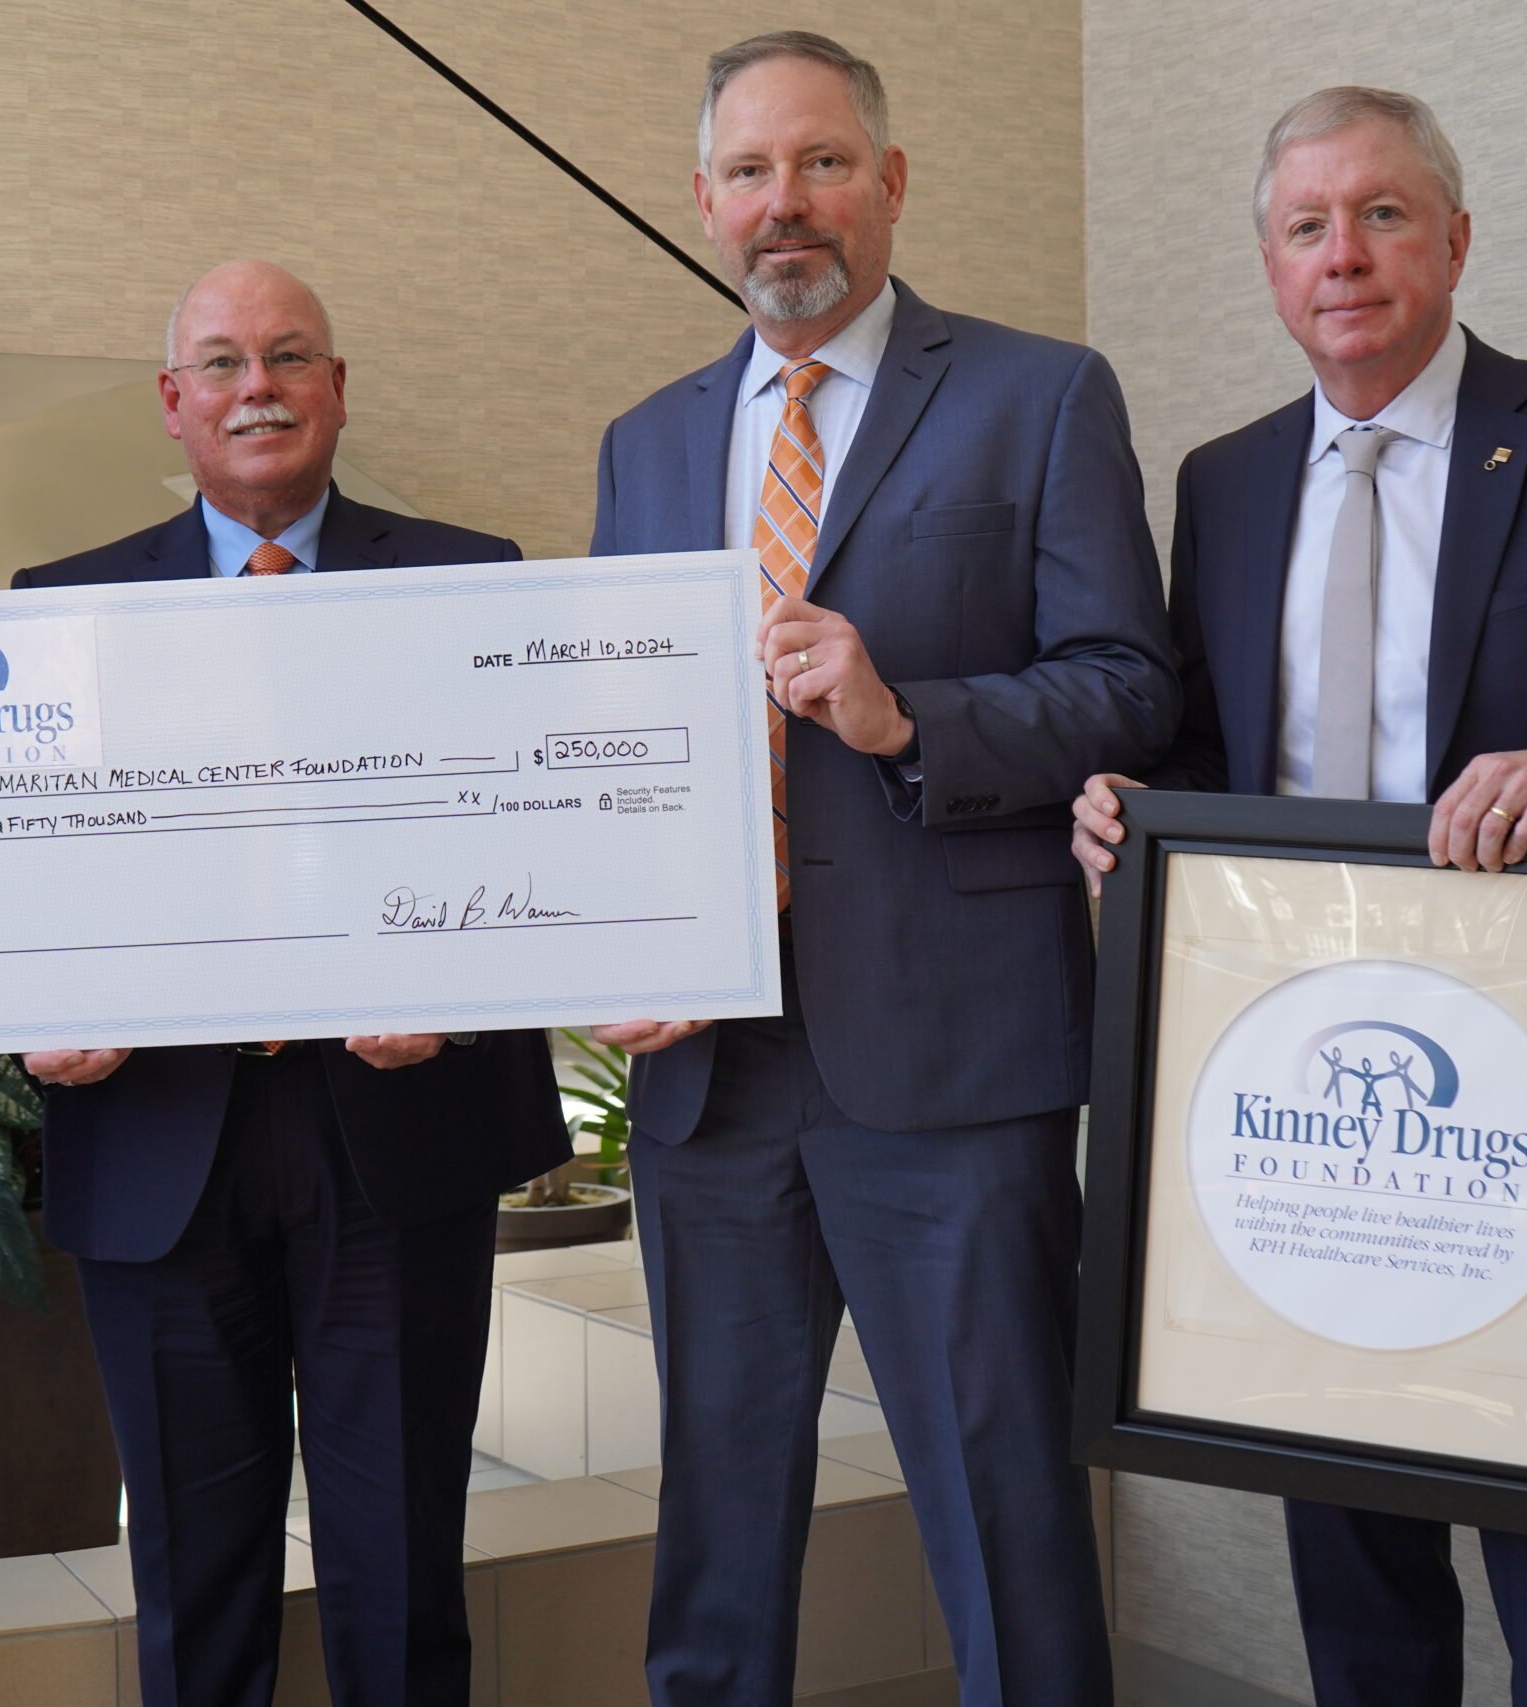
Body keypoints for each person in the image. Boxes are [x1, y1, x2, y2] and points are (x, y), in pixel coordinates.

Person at [1070, 87, 1527, 1706]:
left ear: (1457, 238)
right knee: (1346, 1537)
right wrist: (1133, 809)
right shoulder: (1227, 479)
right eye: (1304, 226)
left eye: (1383, 214)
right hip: (1301, 1092)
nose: (1342, 254)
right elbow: (1216, 752)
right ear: (1270, 268)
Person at [588, 32, 1178, 1706]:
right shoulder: (647, 439)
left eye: (825, 164)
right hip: (710, 1070)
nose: (791, 204)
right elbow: (620, 739)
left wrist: (901, 715)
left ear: (892, 184)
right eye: (754, 172)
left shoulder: (1038, 393)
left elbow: (1129, 684)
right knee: (714, 1519)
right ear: (705, 202)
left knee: (1003, 1516)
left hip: (953, 1057)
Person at [12, 259, 570, 1707]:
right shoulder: (53, 613)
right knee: (194, 1590)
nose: (255, 386)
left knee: (401, 1572)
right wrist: (32, 1013)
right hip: (156, 1141)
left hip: (398, 1128)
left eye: (288, 356)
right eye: (221, 362)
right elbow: (18, 885)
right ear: (173, 401)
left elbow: (539, 834)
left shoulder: (473, 579)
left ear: (335, 389)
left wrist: (467, 980)